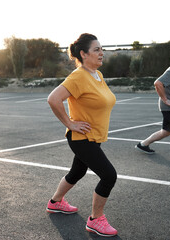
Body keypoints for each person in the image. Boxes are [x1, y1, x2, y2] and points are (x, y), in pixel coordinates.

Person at [46, 33, 118, 237]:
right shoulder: (79, 76)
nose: (101, 53)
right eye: (96, 50)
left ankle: (55, 202)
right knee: (108, 175)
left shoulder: (97, 75)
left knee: (77, 171)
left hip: (94, 137)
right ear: (83, 54)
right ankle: (96, 220)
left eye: (101, 49)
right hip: (82, 138)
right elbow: (53, 99)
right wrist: (69, 123)